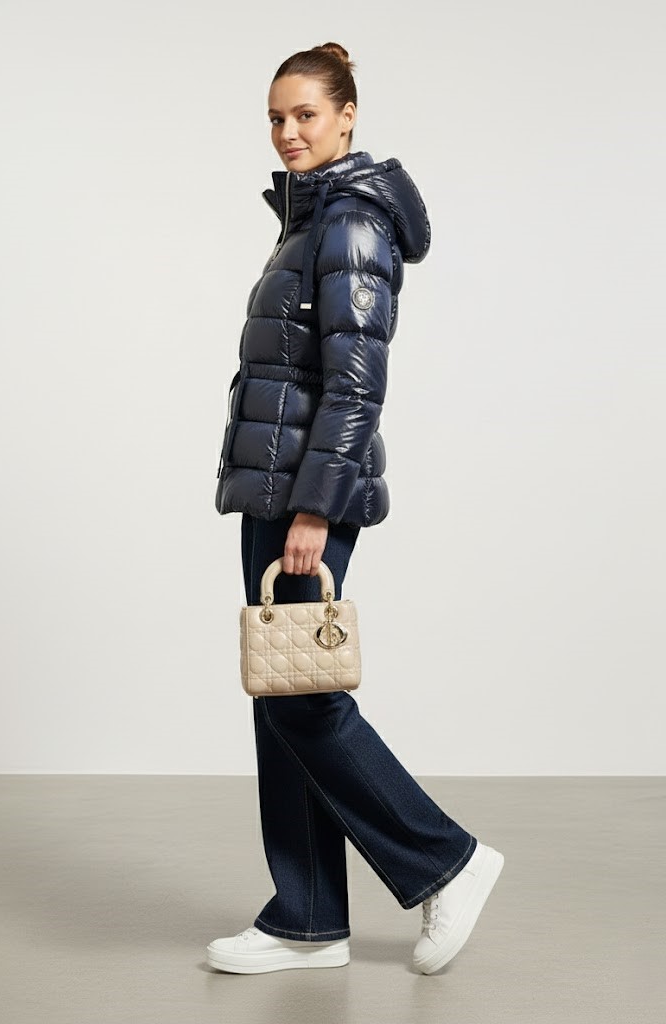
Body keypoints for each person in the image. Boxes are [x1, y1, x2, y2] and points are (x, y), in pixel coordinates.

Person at [208, 42, 504, 976]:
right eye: (275, 117)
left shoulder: (350, 225)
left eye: (305, 114)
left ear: (346, 117)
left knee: (304, 701)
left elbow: (354, 383)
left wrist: (314, 509)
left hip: (307, 492)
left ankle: (446, 861)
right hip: (276, 483)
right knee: (281, 691)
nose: (287, 132)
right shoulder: (309, 220)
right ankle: (306, 918)